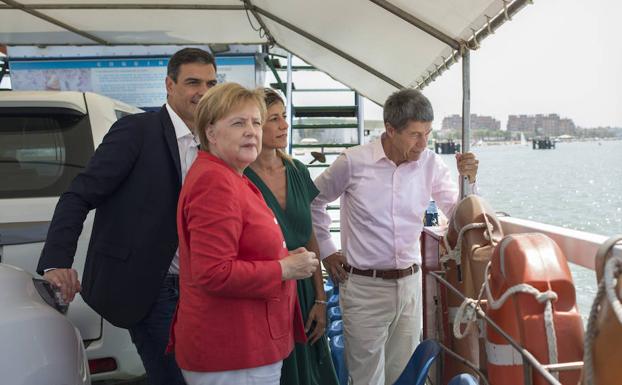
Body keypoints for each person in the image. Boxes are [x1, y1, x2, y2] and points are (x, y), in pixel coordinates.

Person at [36, 47, 218, 385]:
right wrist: (57, 261)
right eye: (193, 82)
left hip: (200, 287)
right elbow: (78, 195)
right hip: (153, 287)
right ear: (169, 84)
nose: (203, 93)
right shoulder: (138, 131)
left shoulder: (212, 141)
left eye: (211, 83)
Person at [311, 88, 479, 385]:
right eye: (415, 135)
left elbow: (457, 212)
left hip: (410, 285)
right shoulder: (353, 162)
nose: (423, 143)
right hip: (363, 287)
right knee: (366, 378)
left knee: (402, 376)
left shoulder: (430, 163)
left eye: (428, 133)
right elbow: (313, 201)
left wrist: (470, 181)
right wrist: (327, 250)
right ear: (390, 130)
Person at [169, 83, 319, 385]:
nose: (252, 131)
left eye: (255, 122)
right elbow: (213, 272)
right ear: (210, 133)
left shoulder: (230, 174)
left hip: (245, 346)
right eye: (239, 123)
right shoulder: (215, 182)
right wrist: (284, 268)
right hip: (232, 349)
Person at [244, 88, 340, 385]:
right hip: (265, 293)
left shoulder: (297, 170)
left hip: (306, 292)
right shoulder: (239, 176)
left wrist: (321, 301)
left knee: (313, 370)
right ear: (255, 126)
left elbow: (309, 235)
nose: (284, 124)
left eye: (284, 116)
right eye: (274, 119)